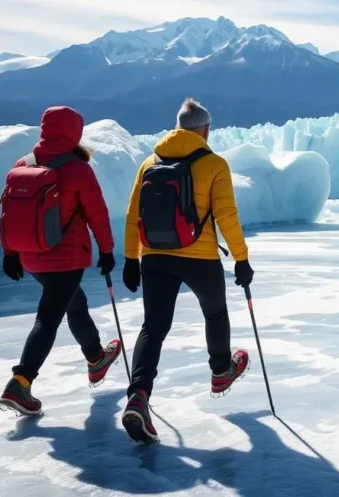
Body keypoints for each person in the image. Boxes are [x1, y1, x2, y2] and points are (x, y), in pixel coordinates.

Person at [120, 98, 254, 444]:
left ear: (178, 127)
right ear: (205, 129)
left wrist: (130, 258)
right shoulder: (214, 164)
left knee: (154, 326)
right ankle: (221, 370)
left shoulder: (150, 161)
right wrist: (241, 258)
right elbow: (227, 215)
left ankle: (139, 395)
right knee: (215, 312)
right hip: (199, 256)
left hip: (154, 256)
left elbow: (133, 214)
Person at [0, 106, 121, 416]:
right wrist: (107, 250)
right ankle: (20, 382)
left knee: (74, 304)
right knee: (48, 317)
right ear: (74, 133)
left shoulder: (23, 164)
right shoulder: (78, 169)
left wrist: (10, 253)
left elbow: (8, 215)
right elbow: (97, 214)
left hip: (31, 257)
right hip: (66, 258)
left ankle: (96, 359)